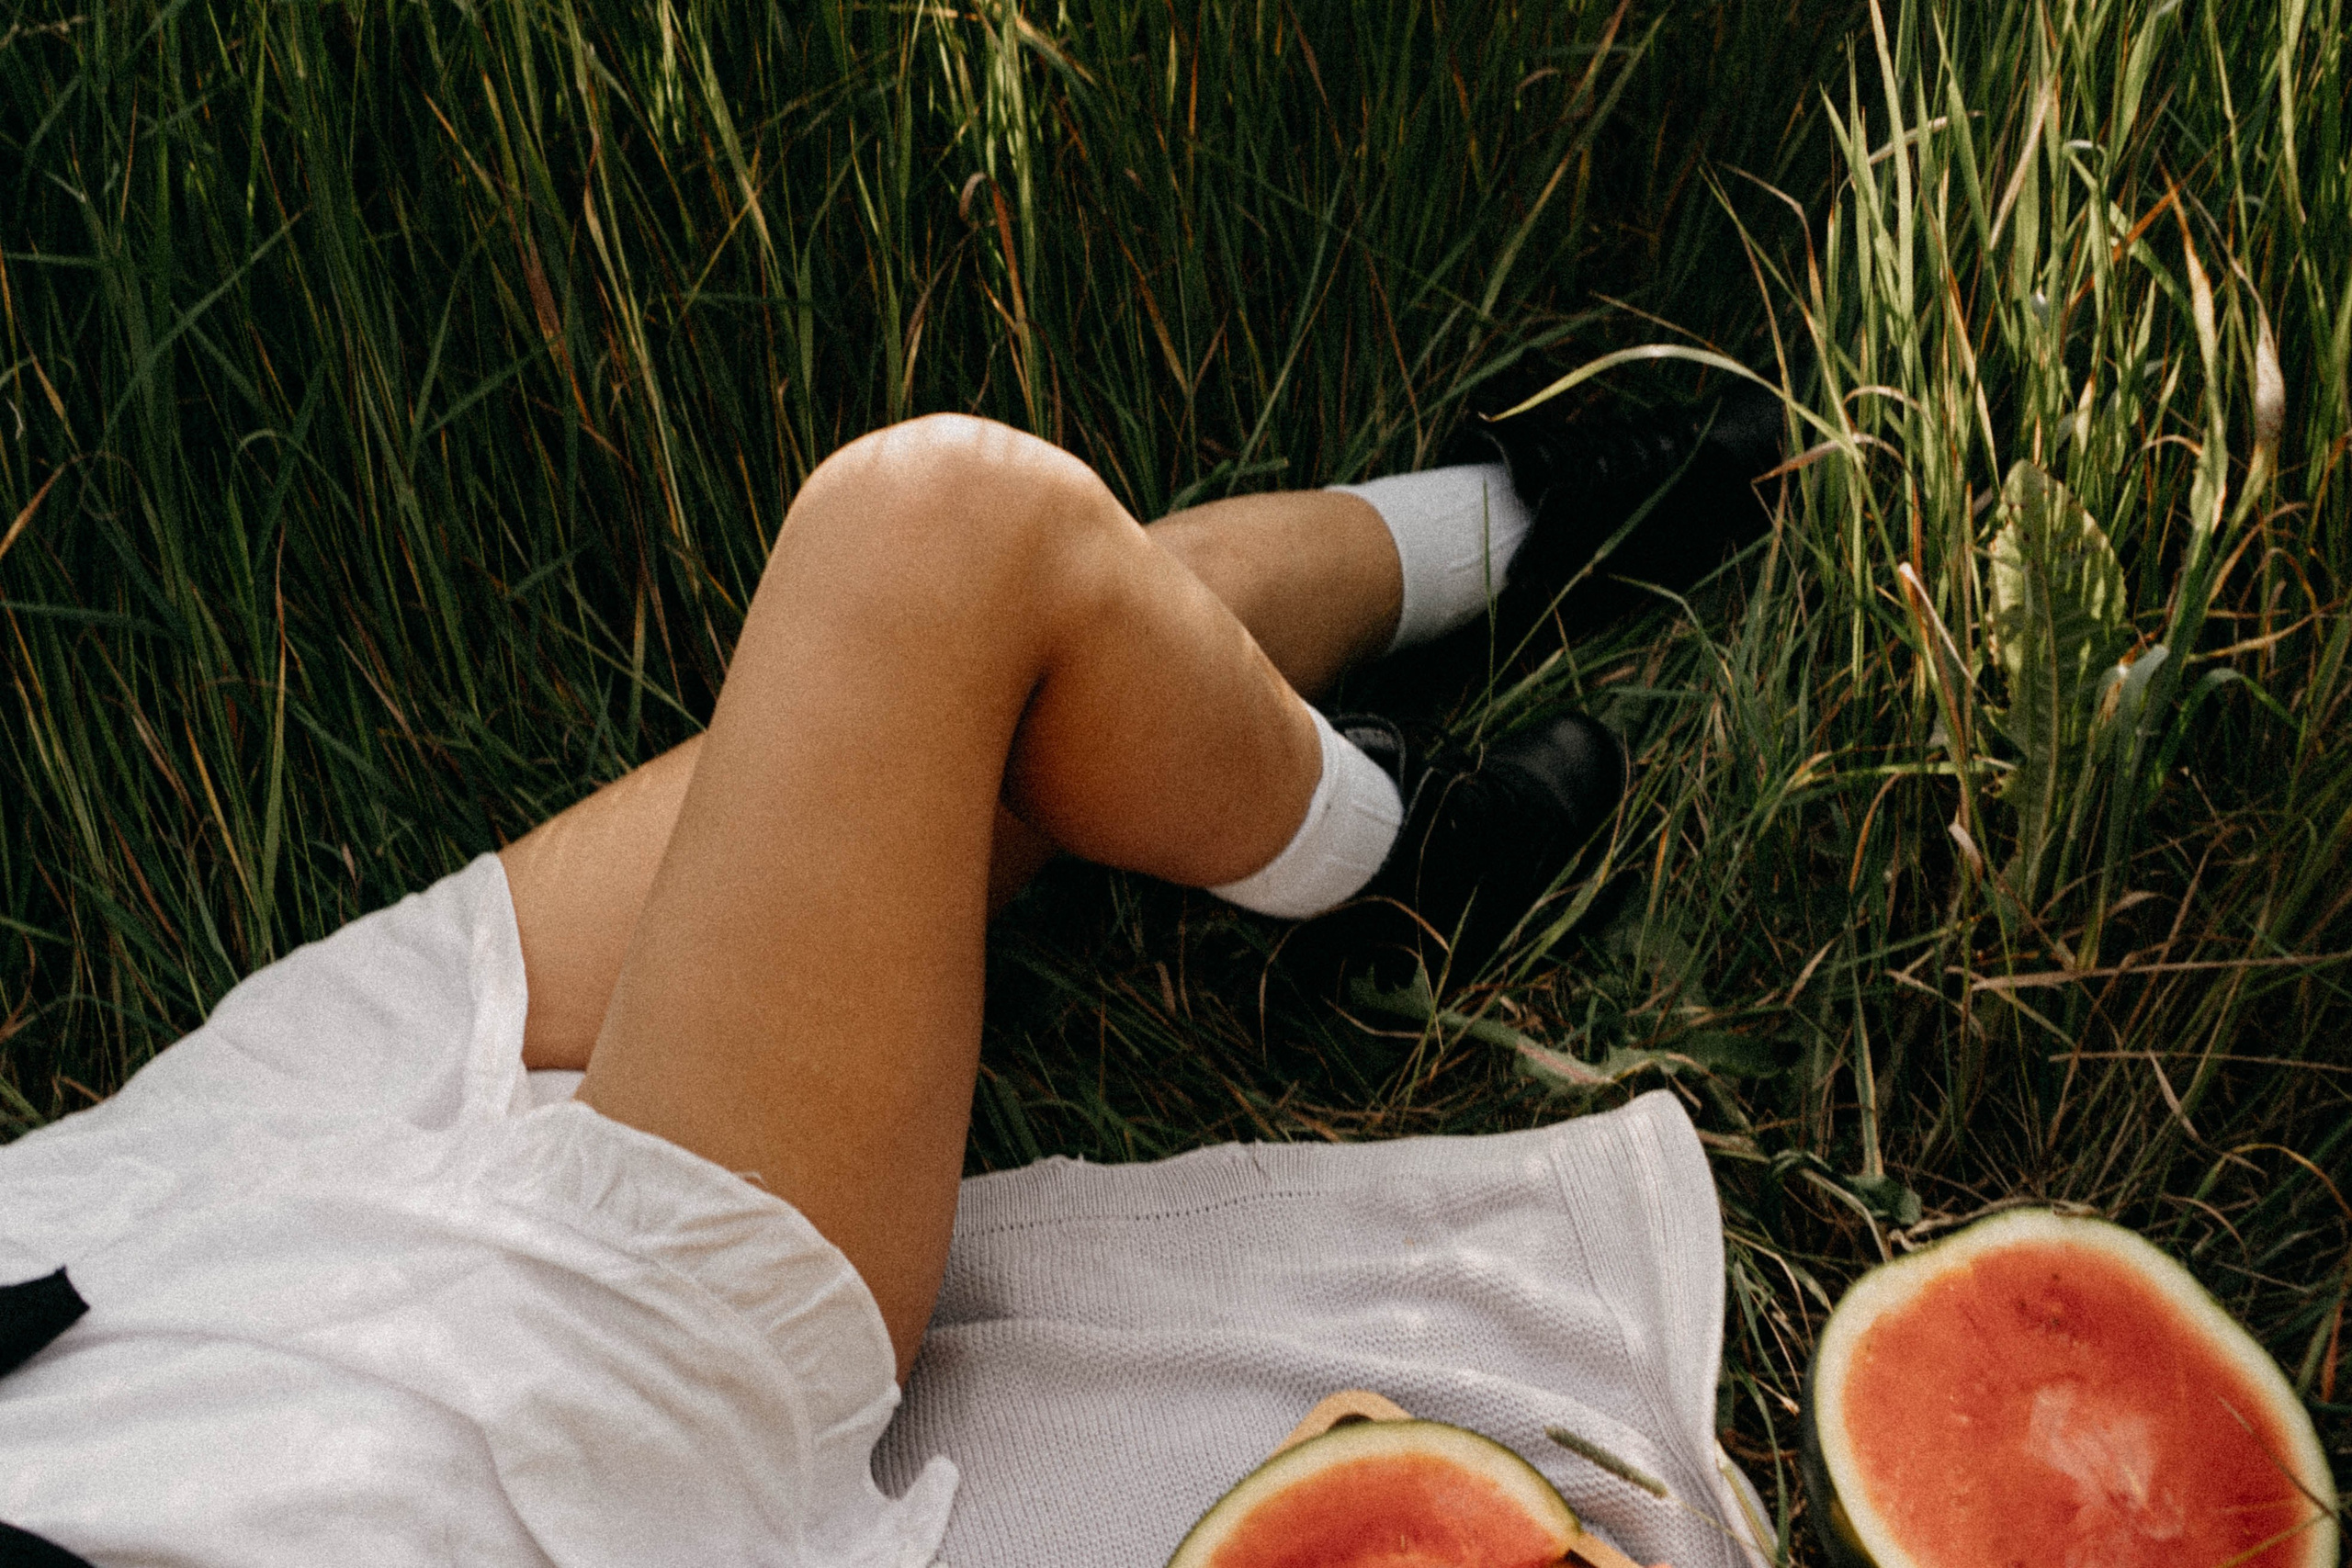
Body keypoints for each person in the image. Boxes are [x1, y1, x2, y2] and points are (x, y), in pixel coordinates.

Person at [0, 379, 1779, 1566]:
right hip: (458, 1455)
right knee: (937, 538)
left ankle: (1496, 518)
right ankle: (1385, 849)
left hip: (148, 1228)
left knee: (968, 694)